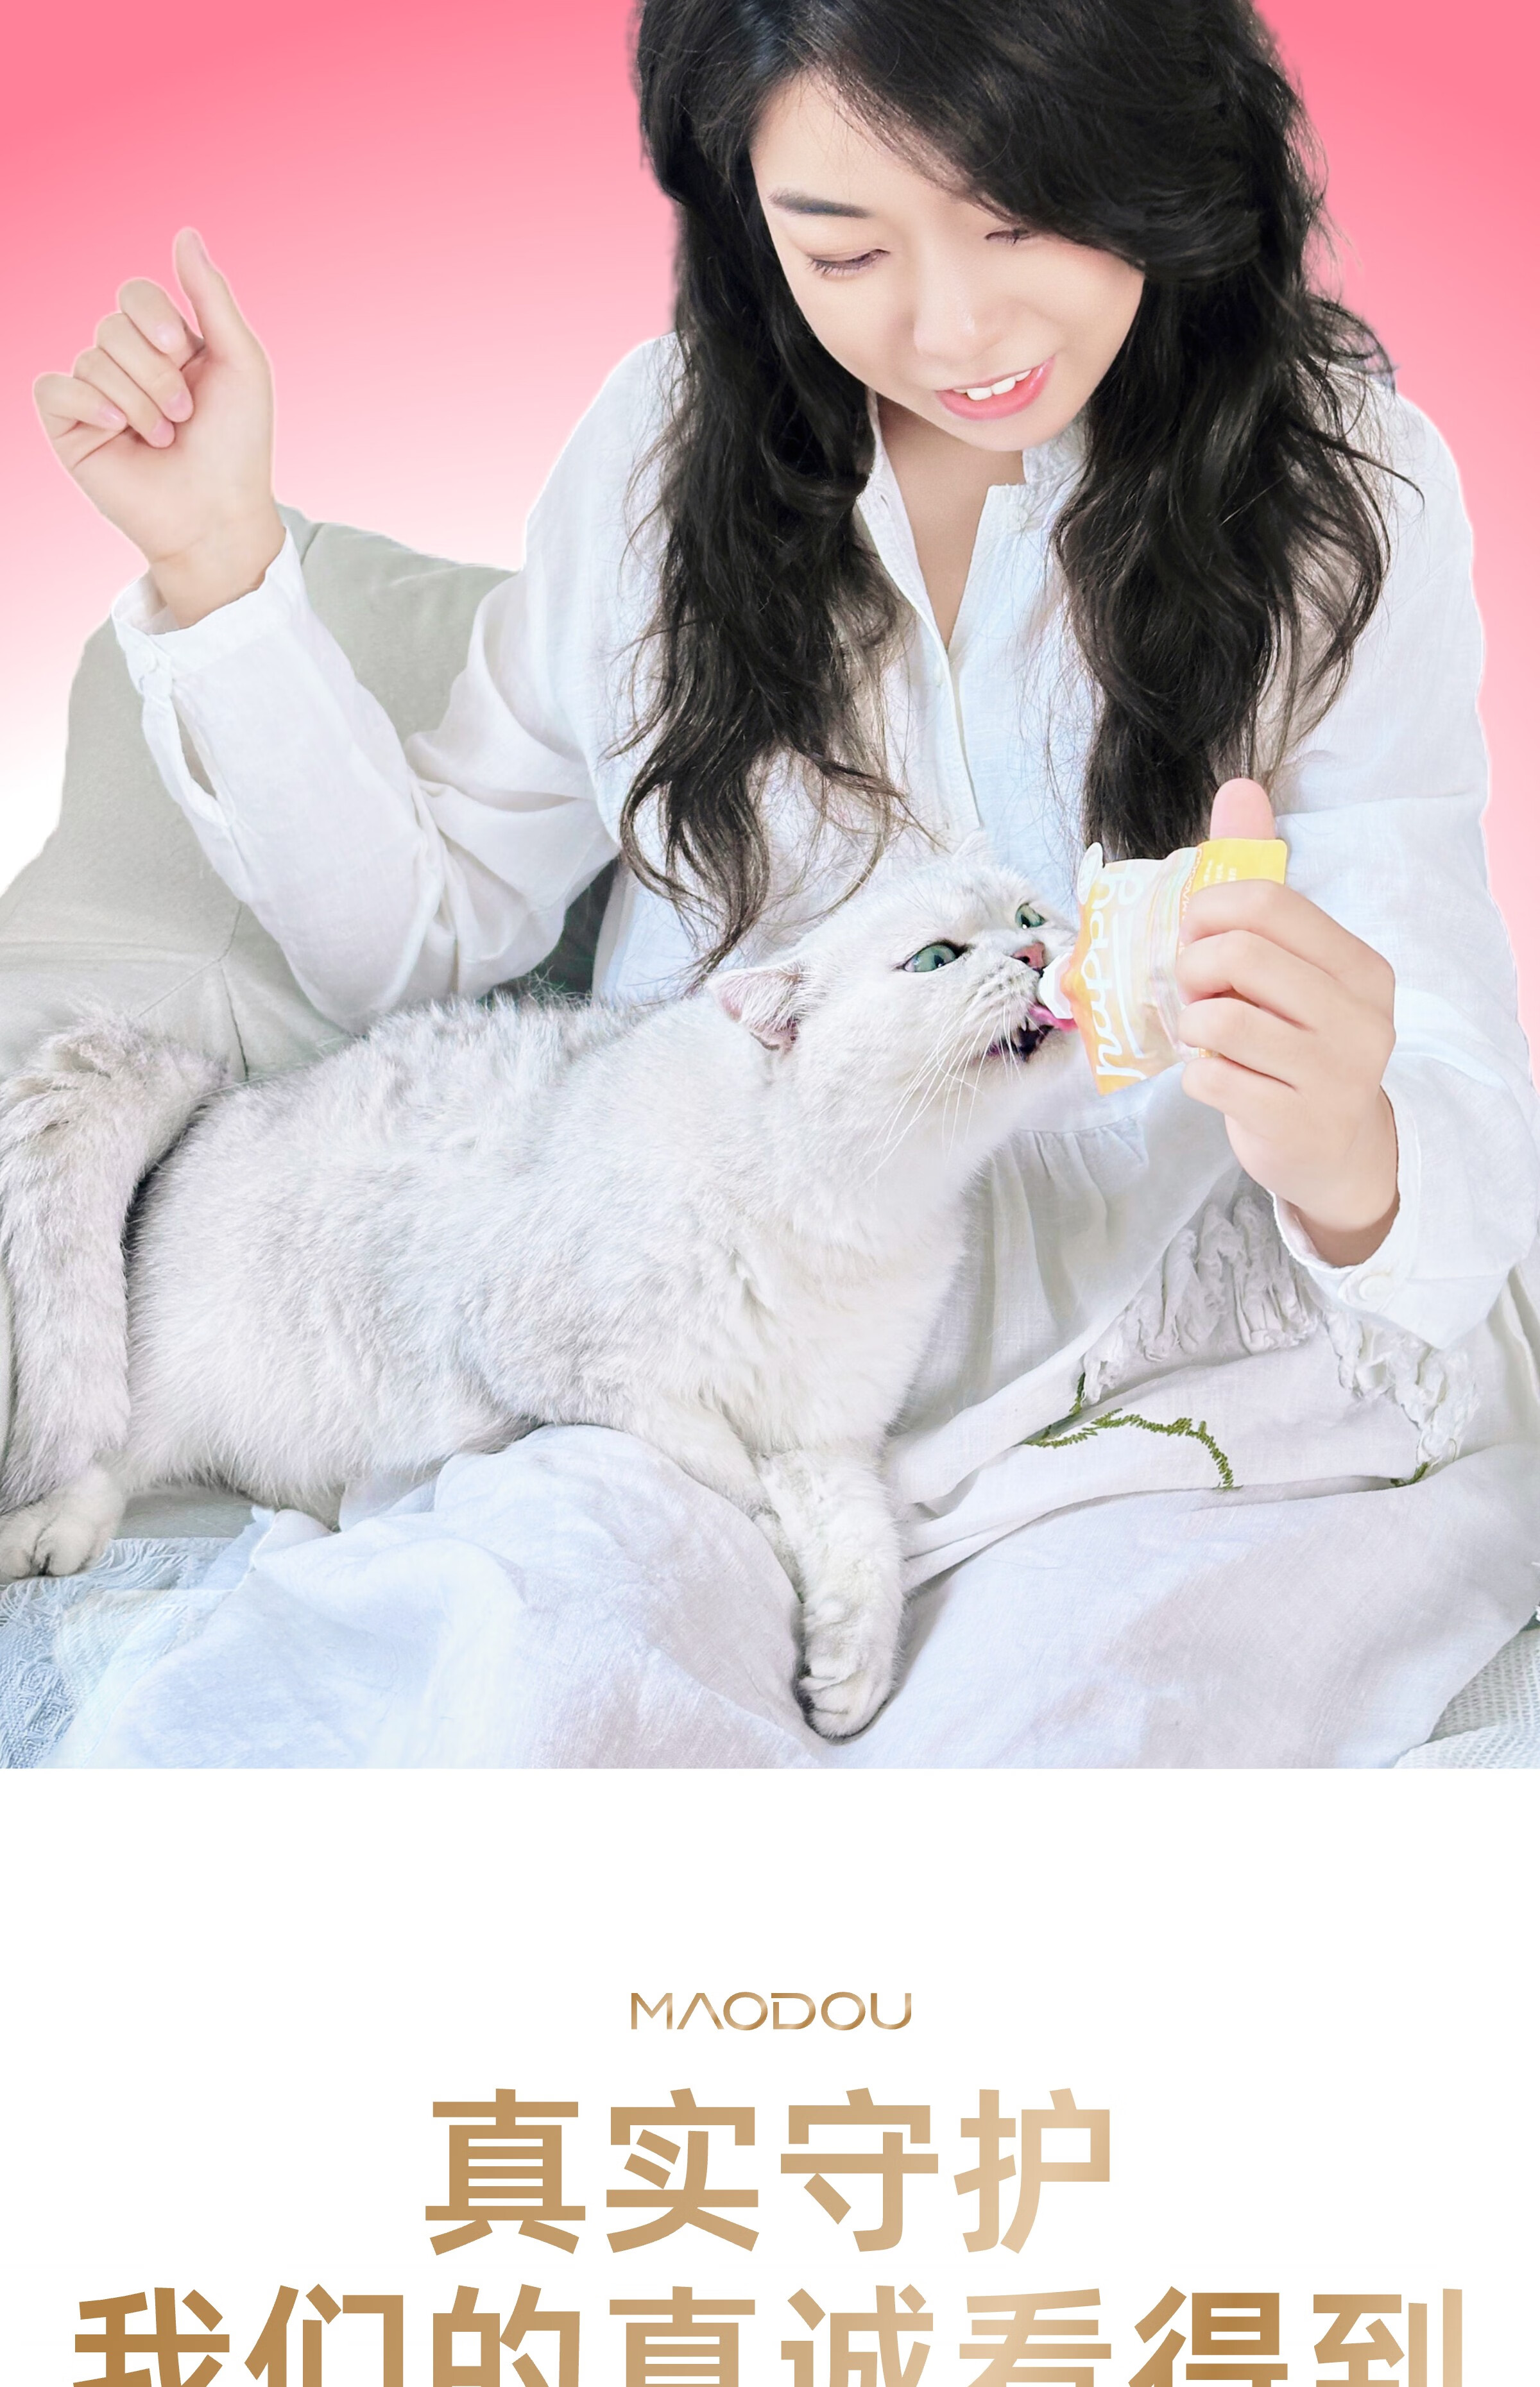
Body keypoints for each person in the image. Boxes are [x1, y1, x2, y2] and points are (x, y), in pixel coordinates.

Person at [30, 0, 1540, 1768]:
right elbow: (419, 937)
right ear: (752, 218)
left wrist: (1353, 1153)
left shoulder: (1342, 490)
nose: (955, 329)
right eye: (845, 248)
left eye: (1021, 217)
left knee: (1091, 1765)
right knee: (527, 1714)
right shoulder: (663, 453)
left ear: (1159, 149)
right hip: (697, 1370)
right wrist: (220, 563)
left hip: (1165, 1386)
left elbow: (1444, 1082)